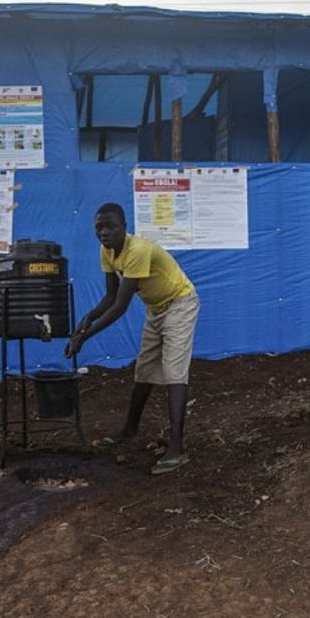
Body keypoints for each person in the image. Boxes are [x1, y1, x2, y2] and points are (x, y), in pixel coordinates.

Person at [65, 202, 200, 475]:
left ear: (124, 227)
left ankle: (177, 448)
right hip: (156, 308)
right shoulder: (107, 251)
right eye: (99, 227)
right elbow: (109, 297)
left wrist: (84, 338)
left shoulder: (137, 250)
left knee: (174, 373)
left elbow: (120, 307)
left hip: (180, 303)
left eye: (111, 226)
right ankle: (129, 429)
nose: (104, 232)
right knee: (144, 370)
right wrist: (87, 319)